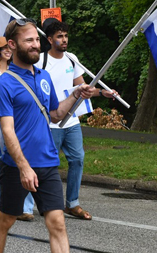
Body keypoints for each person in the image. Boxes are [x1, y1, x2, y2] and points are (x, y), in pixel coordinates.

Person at [0, 18, 98, 253]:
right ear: (12, 45)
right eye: (29, 41)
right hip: (16, 164)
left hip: (47, 161)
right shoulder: (4, 83)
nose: (36, 45)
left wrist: (75, 95)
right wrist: (23, 166)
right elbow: (7, 129)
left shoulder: (44, 77)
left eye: (36, 40)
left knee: (57, 221)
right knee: (6, 218)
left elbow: (55, 115)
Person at [36, 19, 118, 220]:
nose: (64, 40)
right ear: (49, 39)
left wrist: (102, 93)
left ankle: (72, 203)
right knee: (47, 164)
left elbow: (82, 87)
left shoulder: (72, 59)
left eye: (65, 36)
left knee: (78, 159)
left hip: (71, 121)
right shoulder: (40, 61)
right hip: (50, 121)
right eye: (59, 37)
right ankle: (43, 202)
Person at [0, 36, 35, 220]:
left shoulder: (16, 71)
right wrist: (1, 86)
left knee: (20, 162)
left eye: (9, 47)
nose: (8, 50)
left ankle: (24, 208)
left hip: (15, 122)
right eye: (4, 48)